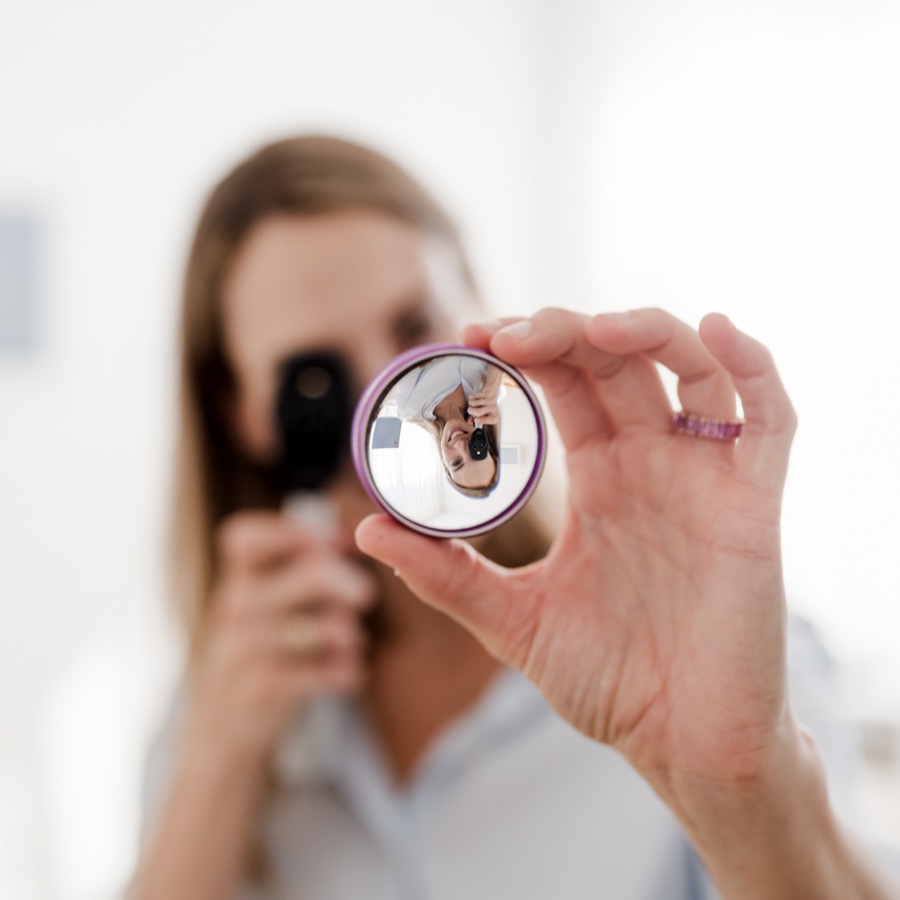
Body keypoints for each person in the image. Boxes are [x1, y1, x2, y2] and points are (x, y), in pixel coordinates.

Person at [131, 136, 900, 900]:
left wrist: (744, 786)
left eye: (413, 327)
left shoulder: (715, 648)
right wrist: (218, 765)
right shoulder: (211, 718)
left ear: (473, 304)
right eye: (315, 380)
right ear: (245, 417)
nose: (394, 401)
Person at [394, 354, 503, 496]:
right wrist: (493, 383)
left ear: (444, 463)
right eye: (476, 452)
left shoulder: (410, 408)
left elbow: (399, 353)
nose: (460, 445)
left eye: (456, 463)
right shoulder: (486, 396)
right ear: (485, 443)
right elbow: (496, 346)